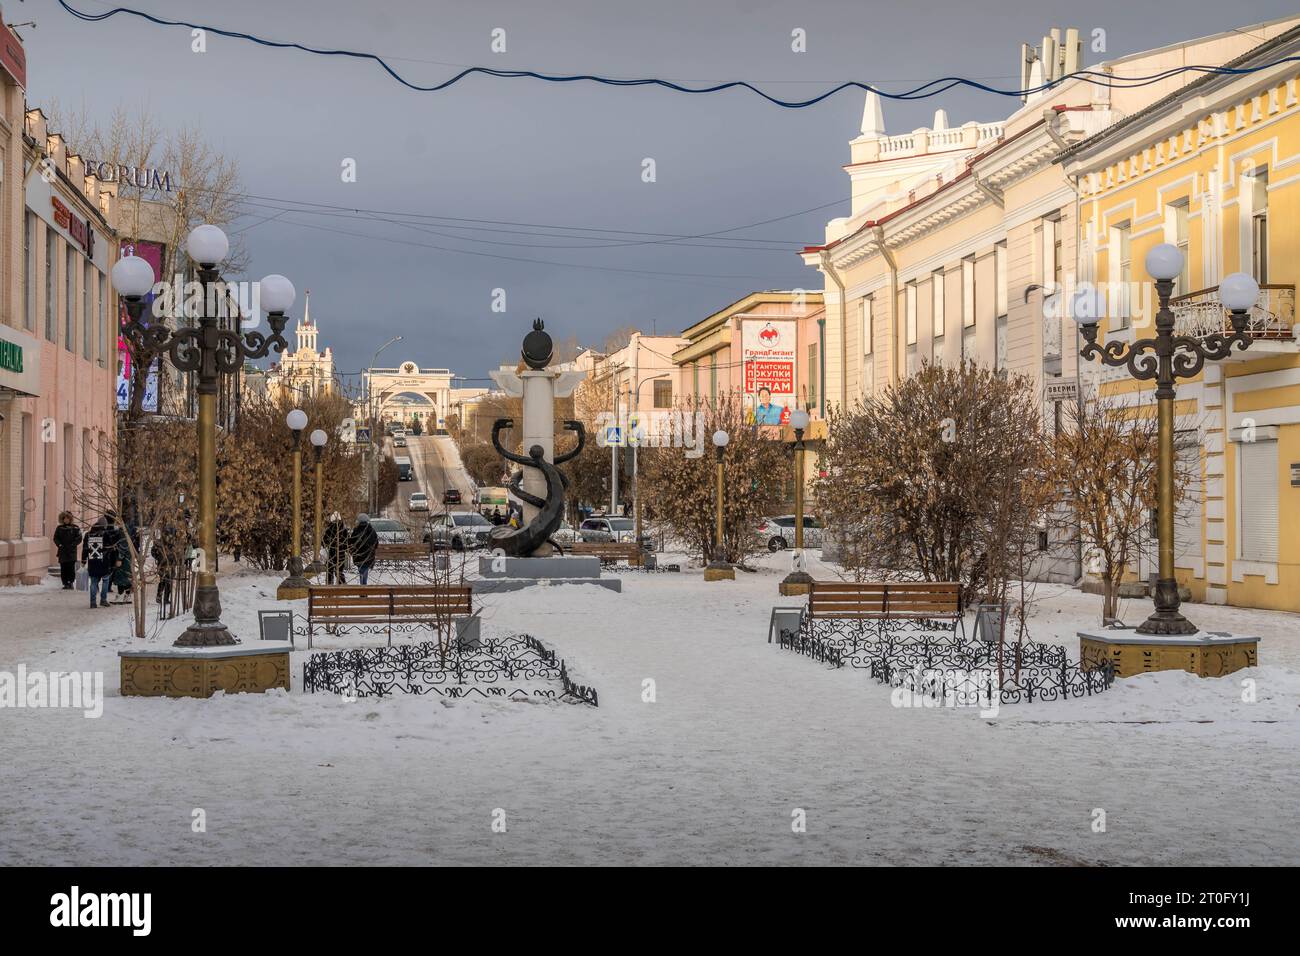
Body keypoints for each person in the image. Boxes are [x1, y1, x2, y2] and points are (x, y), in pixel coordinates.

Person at [81, 514, 120, 608]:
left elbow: (85, 548)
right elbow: (111, 546)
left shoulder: (88, 534)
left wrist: (83, 560)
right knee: (106, 580)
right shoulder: (105, 534)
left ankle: (93, 602)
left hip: (92, 561)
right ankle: (103, 600)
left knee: (94, 582)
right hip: (104, 561)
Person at [53, 513, 83, 590]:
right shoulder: (59, 528)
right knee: (63, 568)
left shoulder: (75, 528)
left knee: (71, 568)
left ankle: (71, 582)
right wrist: (59, 544)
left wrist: (73, 544)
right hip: (62, 551)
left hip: (71, 552)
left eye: (67, 518)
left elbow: (79, 538)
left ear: (70, 519)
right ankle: (65, 583)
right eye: (65, 518)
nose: (66, 520)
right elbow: (55, 538)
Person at [349, 513, 378, 585]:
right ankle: (363, 585)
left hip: (358, 556)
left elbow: (351, 542)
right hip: (369, 556)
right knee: (365, 570)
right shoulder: (372, 531)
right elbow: (376, 543)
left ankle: (363, 586)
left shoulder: (356, 531)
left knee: (361, 570)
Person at [323, 511, 349, 585]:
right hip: (341, 554)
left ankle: (329, 586)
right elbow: (347, 543)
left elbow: (324, 542)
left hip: (331, 553)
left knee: (330, 571)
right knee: (339, 572)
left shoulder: (329, 530)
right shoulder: (344, 530)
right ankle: (342, 586)